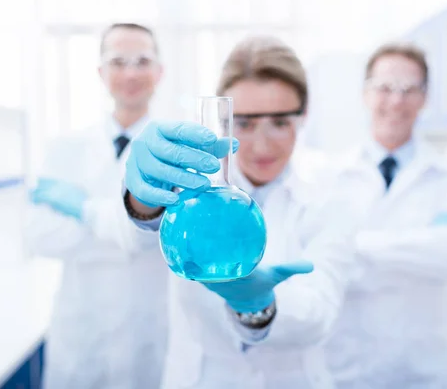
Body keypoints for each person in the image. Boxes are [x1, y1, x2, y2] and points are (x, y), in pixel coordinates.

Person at [121, 36, 357, 388]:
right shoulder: (190, 187)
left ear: (303, 116)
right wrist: (144, 199)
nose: (261, 144)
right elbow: (135, 239)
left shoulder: (332, 193)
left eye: (279, 122)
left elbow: (320, 312)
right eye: (244, 123)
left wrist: (260, 305)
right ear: (224, 123)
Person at [322, 42, 447, 388]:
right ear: (366, 94)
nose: (396, 101)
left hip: (426, 370)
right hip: (348, 369)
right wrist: (419, 250)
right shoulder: (329, 176)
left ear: (425, 98)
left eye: (409, 90)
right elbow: (329, 262)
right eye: (384, 88)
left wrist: (359, 245)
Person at [25, 23, 167, 388]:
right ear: (100, 73)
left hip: (153, 335)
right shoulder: (64, 148)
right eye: (118, 61)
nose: (131, 72)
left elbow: (156, 239)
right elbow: (41, 236)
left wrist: (84, 210)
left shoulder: (170, 151)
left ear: (159, 71)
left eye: (142, 61)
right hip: (82, 337)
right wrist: (125, 228)